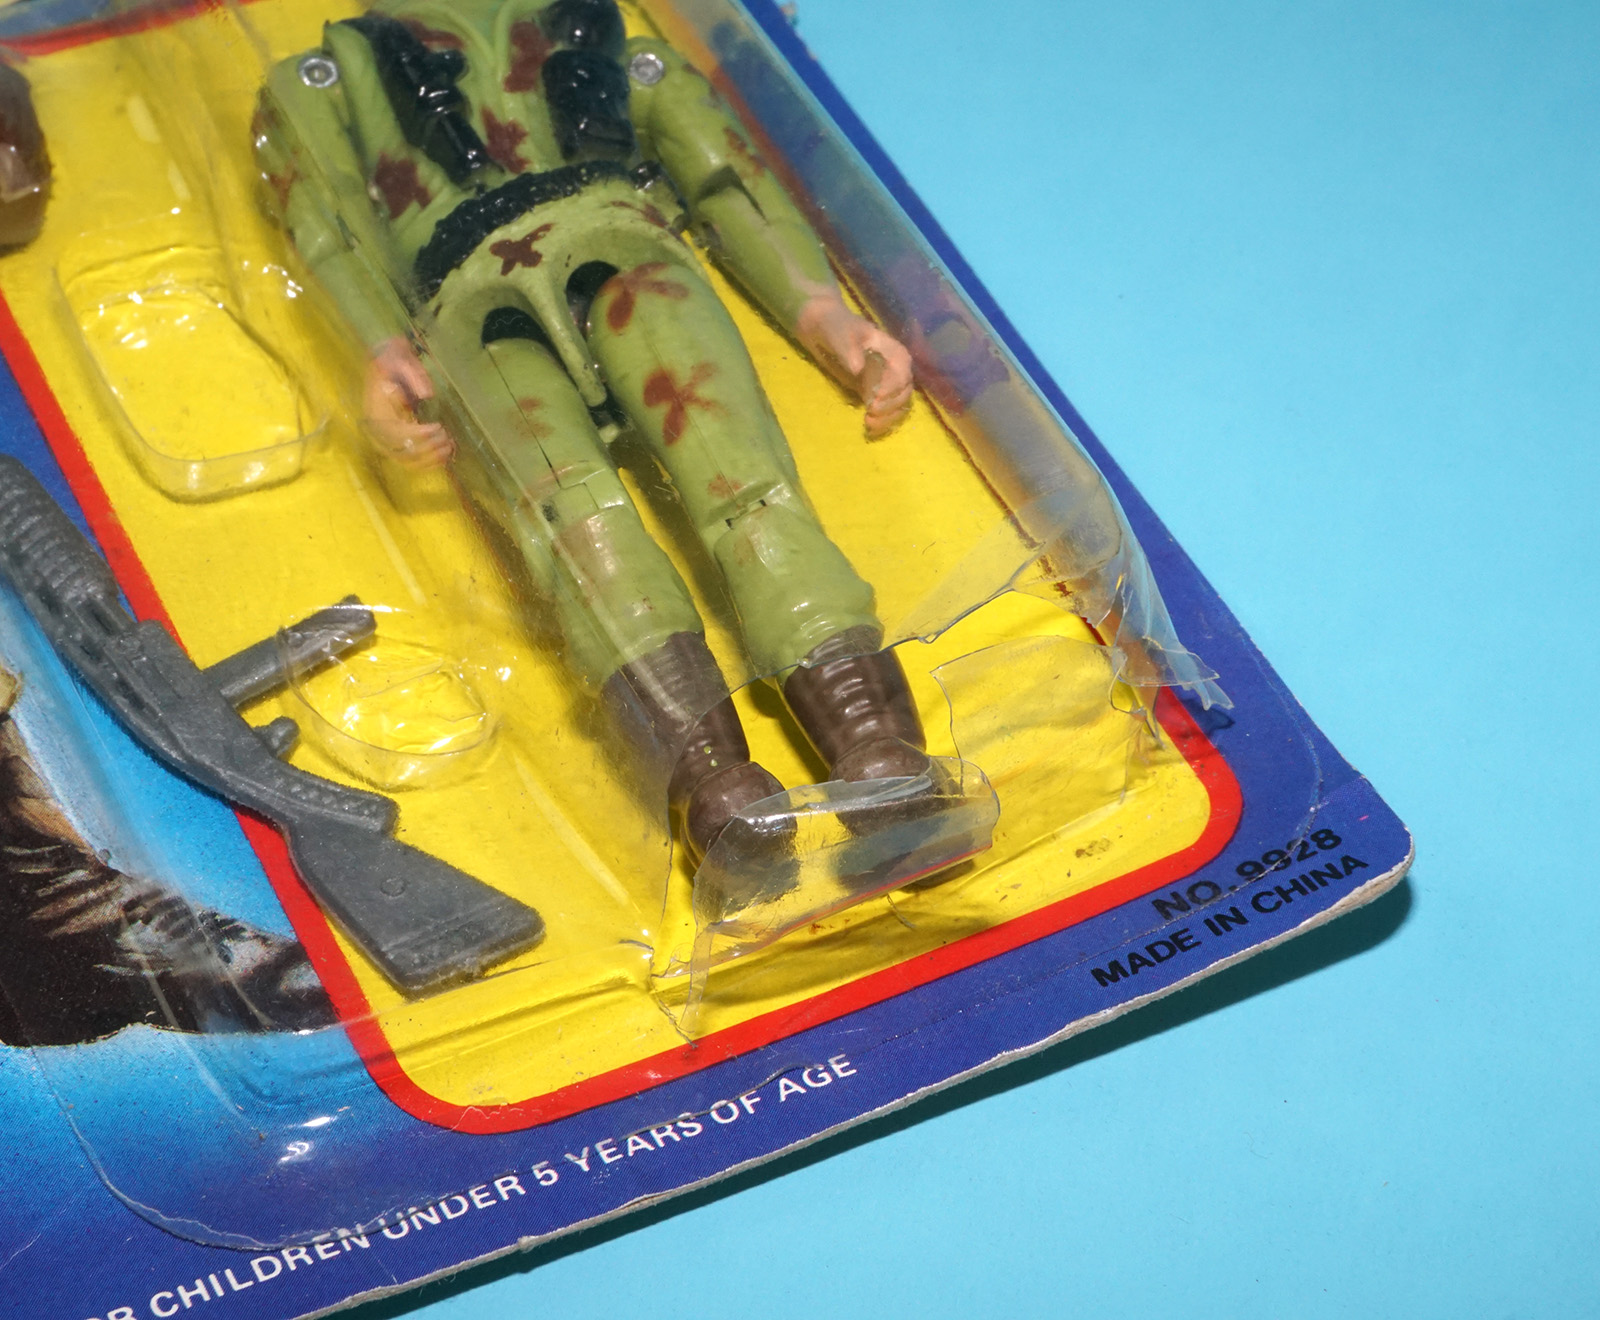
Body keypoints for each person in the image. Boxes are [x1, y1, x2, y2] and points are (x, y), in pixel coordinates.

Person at [256, 0, 944, 869]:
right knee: (579, 533)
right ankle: (710, 785)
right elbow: (327, 228)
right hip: (466, 301)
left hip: (627, 247)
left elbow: (723, 175)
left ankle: (874, 741)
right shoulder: (331, 80)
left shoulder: (598, 29)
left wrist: (819, 308)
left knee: (743, 482)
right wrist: (377, 350)